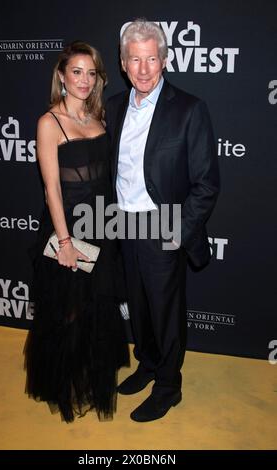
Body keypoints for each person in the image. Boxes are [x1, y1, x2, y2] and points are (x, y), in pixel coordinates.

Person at [105, 20, 220, 422]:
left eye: (151, 58)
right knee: (138, 307)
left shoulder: (189, 109)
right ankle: (149, 365)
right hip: (123, 224)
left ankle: (169, 386)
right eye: (134, 59)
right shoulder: (114, 107)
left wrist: (178, 232)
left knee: (166, 311)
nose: (143, 68)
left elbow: (206, 184)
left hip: (163, 223)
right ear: (122, 63)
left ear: (165, 59)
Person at [24, 41, 129, 423]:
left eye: (91, 73)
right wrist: (65, 243)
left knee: (98, 307)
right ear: (62, 76)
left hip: (103, 227)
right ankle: (65, 383)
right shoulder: (49, 122)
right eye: (76, 72)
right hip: (69, 229)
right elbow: (51, 188)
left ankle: (91, 373)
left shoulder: (99, 114)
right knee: (68, 310)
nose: (84, 80)